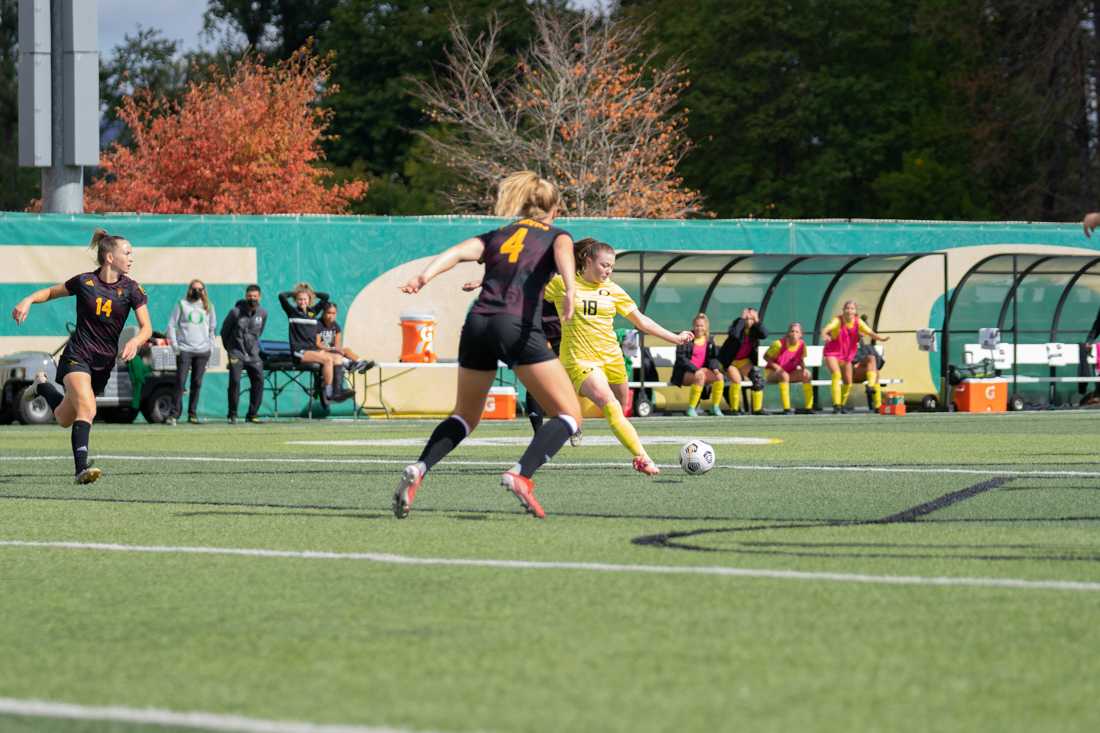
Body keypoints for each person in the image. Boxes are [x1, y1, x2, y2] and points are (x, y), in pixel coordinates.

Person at [394, 170, 582, 520]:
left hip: (477, 322)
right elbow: (564, 255)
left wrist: (424, 276)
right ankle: (520, 474)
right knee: (570, 414)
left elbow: (457, 253)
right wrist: (570, 289)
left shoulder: (498, 235)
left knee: (465, 415)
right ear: (554, 208)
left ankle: (420, 468)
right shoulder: (558, 235)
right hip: (515, 325)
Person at [10, 229, 151, 484]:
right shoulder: (85, 282)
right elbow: (51, 292)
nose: (132, 258)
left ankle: (41, 385)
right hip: (77, 355)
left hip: (103, 362)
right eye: (127, 253)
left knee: (65, 418)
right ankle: (80, 470)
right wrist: (28, 300)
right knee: (88, 407)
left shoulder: (132, 289)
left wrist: (136, 341)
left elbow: (147, 328)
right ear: (110, 257)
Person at [544, 238, 692, 475]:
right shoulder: (563, 283)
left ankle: (571, 416)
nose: (608, 271)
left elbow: (641, 321)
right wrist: (486, 283)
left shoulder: (612, 289)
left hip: (612, 358)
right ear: (587, 260)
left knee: (622, 406)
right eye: (604, 265)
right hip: (580, 359)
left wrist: (674, 338)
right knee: (609, 404)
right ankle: (642, 457)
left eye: (611, 266)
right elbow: (525, 288)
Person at [278, 283, 353, 408]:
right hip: (299, 351)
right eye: (300, 299)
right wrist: (297, 292)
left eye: (305, 299)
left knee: (338, 358)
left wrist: (310, 292)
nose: (302, 301)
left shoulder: (313, 312)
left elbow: (326, 296)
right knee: (328, 359)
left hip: (312, 350)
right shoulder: (291, 311)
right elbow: (281, 296)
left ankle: (337, 391)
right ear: (296, 300)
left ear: (309, 300)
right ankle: (329, 393)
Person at [821, 300, 890, 413]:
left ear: (855, 311)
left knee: (848, 383)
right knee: (836, 374)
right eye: (847, 308)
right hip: (832, 353)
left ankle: (845, 404)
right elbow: (828, 327)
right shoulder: (838, 320)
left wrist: (881, 338)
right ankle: (836, 405)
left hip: (846, 357)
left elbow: (870, 332)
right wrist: (824, 334)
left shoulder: (858, 323)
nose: (849, 310)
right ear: (843, 310)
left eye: (852, 308)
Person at [165, 279, 216, 425]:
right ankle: (174, 414)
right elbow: (171, 326)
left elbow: (212, 328)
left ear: (204, 291)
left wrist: (210, 347)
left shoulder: (209, 306)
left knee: (197, 383)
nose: (197, 292)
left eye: (200, 289)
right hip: (185, 350)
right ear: (189, 290)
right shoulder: (182, 304)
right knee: (180, 382)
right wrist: (175, 346)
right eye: (194, 289)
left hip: (203, 351)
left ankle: (192, 414)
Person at [221, 284, 268, 424]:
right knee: (235, 381)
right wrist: (230, 350)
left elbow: (259, 332)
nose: (252, 299)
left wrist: (252, 347)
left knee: (259, 380)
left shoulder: (263, 313)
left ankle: (252, 414)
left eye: (255, 296)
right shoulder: (235, 312)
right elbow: (224, 332)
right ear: (245, 296)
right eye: (249, 296)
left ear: (259, 297)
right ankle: (232, 414)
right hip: (236, 352)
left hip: (253, 354)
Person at [670, 313, 725, 417]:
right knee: (700, 376)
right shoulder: (687, 338)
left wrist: (715, 369)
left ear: (706, 327)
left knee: (719, 377)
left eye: (701, 326)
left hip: (702, 372)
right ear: (693, 326)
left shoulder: (710, 340)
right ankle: (691, 408)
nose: (699, 328)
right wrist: (695, 370)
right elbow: (681, 358)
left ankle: (715, 407)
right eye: (697, 325)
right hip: (684, 373)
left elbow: (713, 358)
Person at [718, 307, 768, 415]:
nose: (749, 321)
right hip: (730, 361)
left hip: (745, 361)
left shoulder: (755, 329)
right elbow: (734, 334)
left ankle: (757, 409)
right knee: (736, 380)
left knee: (757, 378)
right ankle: (734, 409)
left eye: (751, 319)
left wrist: (757, 320)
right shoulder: (738, 325)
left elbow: (764, 334)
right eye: (747, 318)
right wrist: (741, 319)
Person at [763, 322, 814, 414]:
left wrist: (803, 369)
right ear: (788, 333)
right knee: (784, 375)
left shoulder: (802, 345)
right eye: (792, 331)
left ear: (801, 335)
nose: (794, 333)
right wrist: (777, 367)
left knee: (807, 375)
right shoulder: (778, 344)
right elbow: (765, 357)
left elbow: (801, 360)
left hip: (788, 373)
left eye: (797, 332)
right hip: (772, 373)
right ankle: (787, 409)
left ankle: (808, 408)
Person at [316, 303, 374, 374]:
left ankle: (360, 362)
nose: (331, 316)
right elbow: (317, 344)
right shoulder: (318, 324)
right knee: (335, 354)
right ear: (323, 313)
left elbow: (337, 345)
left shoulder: (336, 326)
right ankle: (352, 364)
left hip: (331, 351)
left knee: (346, 350)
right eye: (329, 313)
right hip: (320, 352)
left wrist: (337, 350)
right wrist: (330, 349)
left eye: (334, 313)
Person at [852, 313, 887, 411]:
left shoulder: (862, 343)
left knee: (876, 371)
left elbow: (878, 363)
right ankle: (872, 392)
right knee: (872, 361)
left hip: (861, 372)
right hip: (850, 372)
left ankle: (878, 406)